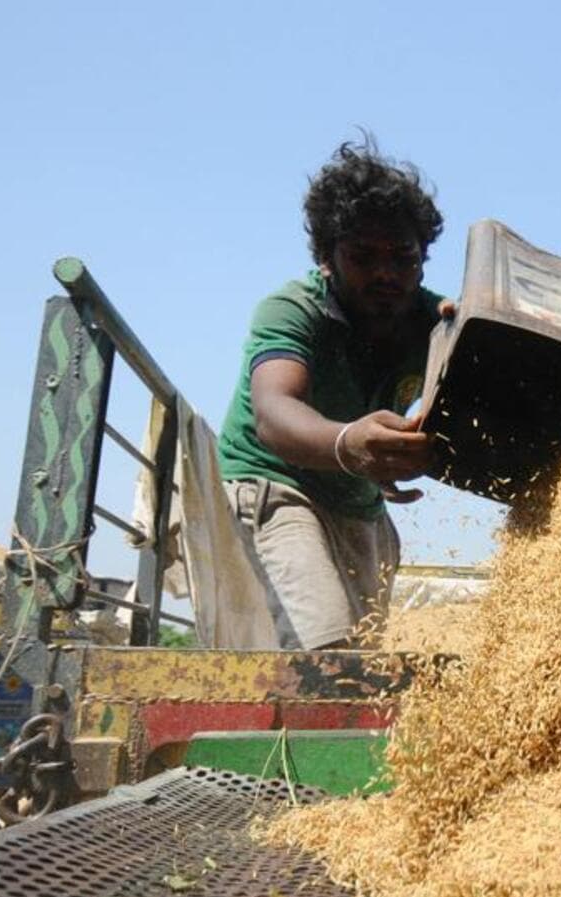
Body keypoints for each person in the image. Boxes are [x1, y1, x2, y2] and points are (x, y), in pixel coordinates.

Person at [216, 138, 453, 649]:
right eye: (363, 257)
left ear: (423, 259)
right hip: (278, 485)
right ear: (328, 258)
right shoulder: (292, 309)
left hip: (358, 502)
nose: (386, 274)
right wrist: (351, 443)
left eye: (402, 257)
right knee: (330, 652)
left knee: (365, 661)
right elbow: (274, 411)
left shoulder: (433, 320)